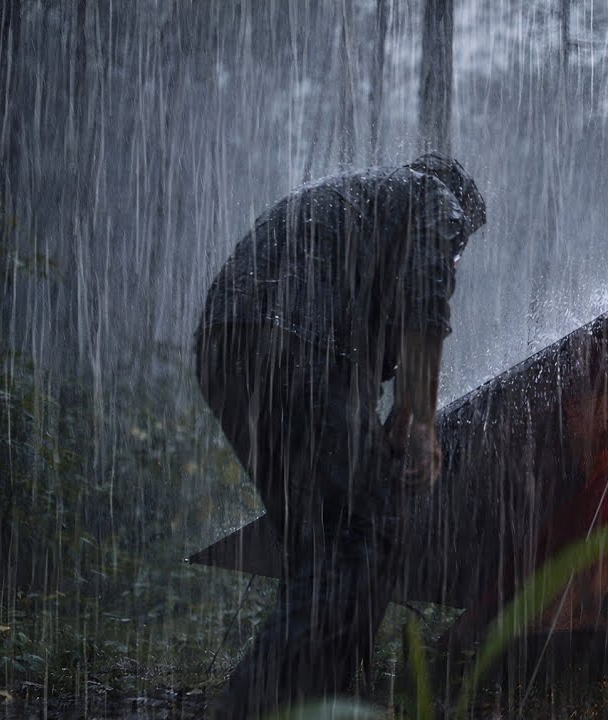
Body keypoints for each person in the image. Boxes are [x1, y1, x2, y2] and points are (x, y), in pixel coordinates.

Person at [193, 153, 485, 718]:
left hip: (226, 347)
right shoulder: (434, 198)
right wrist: (420, 417)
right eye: (461, 243)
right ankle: (252, 708)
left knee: (321, 544)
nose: (457, 252)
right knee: (355, 537)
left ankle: (314, 702)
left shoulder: (358, 209)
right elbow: (427, 294)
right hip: (291, 345)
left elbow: (364, 351)